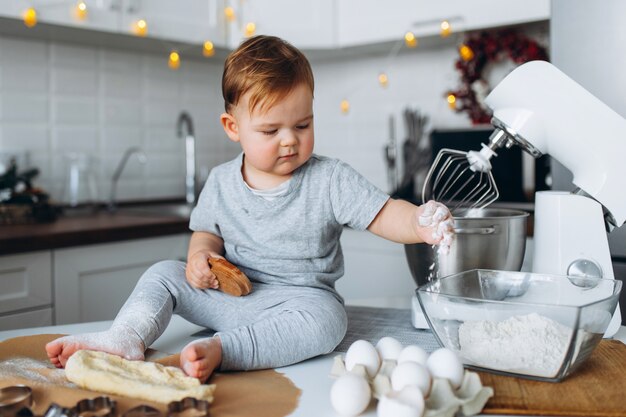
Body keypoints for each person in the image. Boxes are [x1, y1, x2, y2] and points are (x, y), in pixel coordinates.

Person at [45, 35, 454, 382]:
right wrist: (198, 257)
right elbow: (206, 233)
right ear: (232, 128)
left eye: (303, 125)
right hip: (229, 299)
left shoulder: (330, 179)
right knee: (163, 273)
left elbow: (383, 214)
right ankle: (127, 336)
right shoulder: (222, 182)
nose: (290, 140)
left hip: (299, 303)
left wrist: (419, 222)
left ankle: (224, 350)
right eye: (271, 131)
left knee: (331, 320)